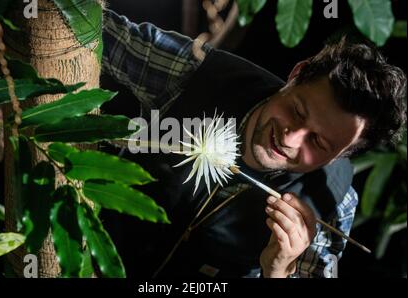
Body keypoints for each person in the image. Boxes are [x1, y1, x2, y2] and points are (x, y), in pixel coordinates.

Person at [100, 9, 406, 278]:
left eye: (318, 142)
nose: (290, 138)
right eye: (297, 111)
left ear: (341, 155)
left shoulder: (333, 204)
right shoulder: (197, 73)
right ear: (296, 75)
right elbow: (82, 25)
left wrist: (278, 271)